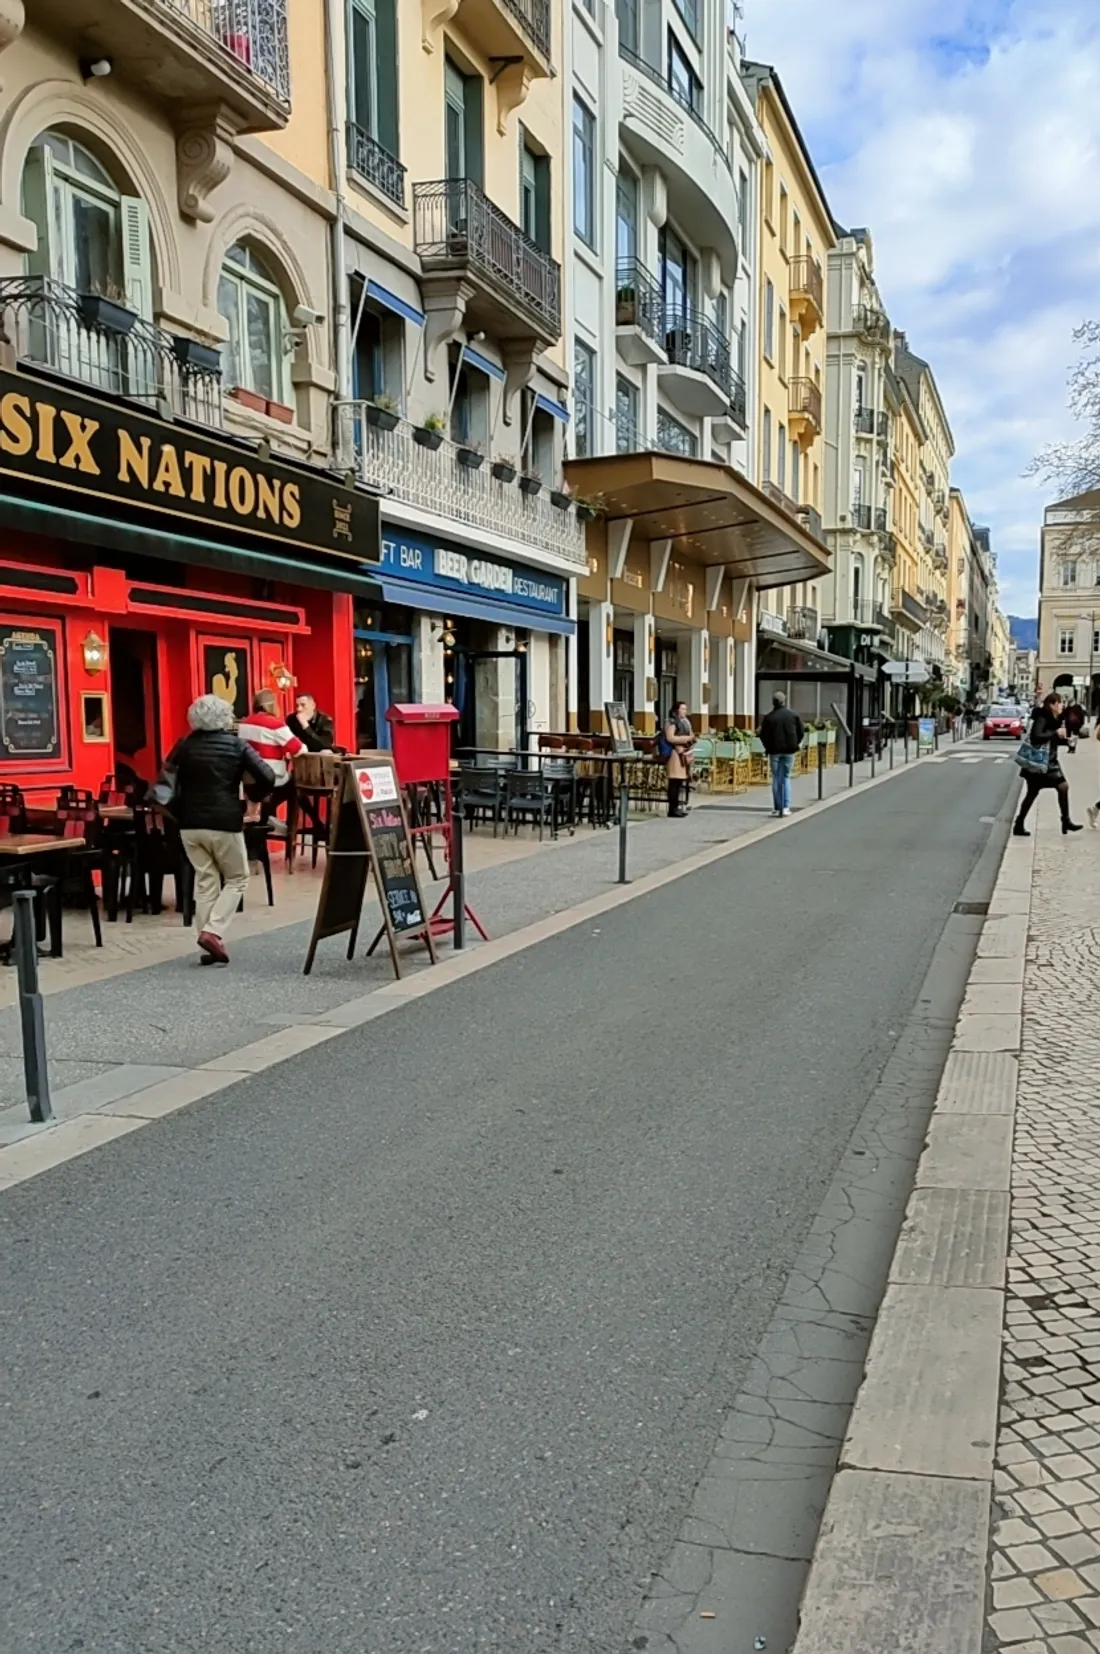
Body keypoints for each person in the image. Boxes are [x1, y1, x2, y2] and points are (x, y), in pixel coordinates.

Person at [170, 694, 276, 963]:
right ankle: (212, 932)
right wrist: (254, 798)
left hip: (189, 824)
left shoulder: (184, 745)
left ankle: (208, 944)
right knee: (237, 878)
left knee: (206, 881)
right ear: (224, 717)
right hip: (224, 822)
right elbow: (267, 775)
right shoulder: (236, 745)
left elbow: (165, 781)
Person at [1014, 692, 1081, 837]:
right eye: (1060, 703)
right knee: (1061, 787)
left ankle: (1019, 824)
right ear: (1052, 705)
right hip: (1041, 762)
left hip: (1048, 761)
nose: (1062, 705)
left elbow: (1051, 738)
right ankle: (1065, 821)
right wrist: (1056, 733)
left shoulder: (1055, 719)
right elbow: (1036, 736)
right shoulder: (1042, 717)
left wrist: (1067, 741)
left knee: (1034, 793)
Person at [237, 690, 305, 790]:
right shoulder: (276, 725)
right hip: (271, 777)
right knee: (294, 787)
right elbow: (300, 749)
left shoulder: (244, 723)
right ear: (273, 705)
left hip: (248, 777)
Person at [759, 691, 804, 817]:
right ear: (784, 701)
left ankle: (777, 806)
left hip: (774, 751)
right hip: (789, 750)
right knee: (786, 776)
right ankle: (786, 807)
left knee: (776, 778)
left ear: (773, 702)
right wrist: (796, 743)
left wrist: (768, 747)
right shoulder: (793, 715)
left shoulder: (769, 717)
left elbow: (763, 735)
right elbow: (801, 731)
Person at [662, 701, 695, 818]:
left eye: (685, 709)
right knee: (674, 782)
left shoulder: (685, 722)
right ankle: (672, 809)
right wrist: (685, 738)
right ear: (676, 710)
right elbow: (670, 737)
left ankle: (677, 807)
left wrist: (691, 739)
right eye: (682, 709)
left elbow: (691, 735)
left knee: (679, 782)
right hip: (674, 754)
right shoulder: (671, 722)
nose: (684, 711)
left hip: (684, 752)